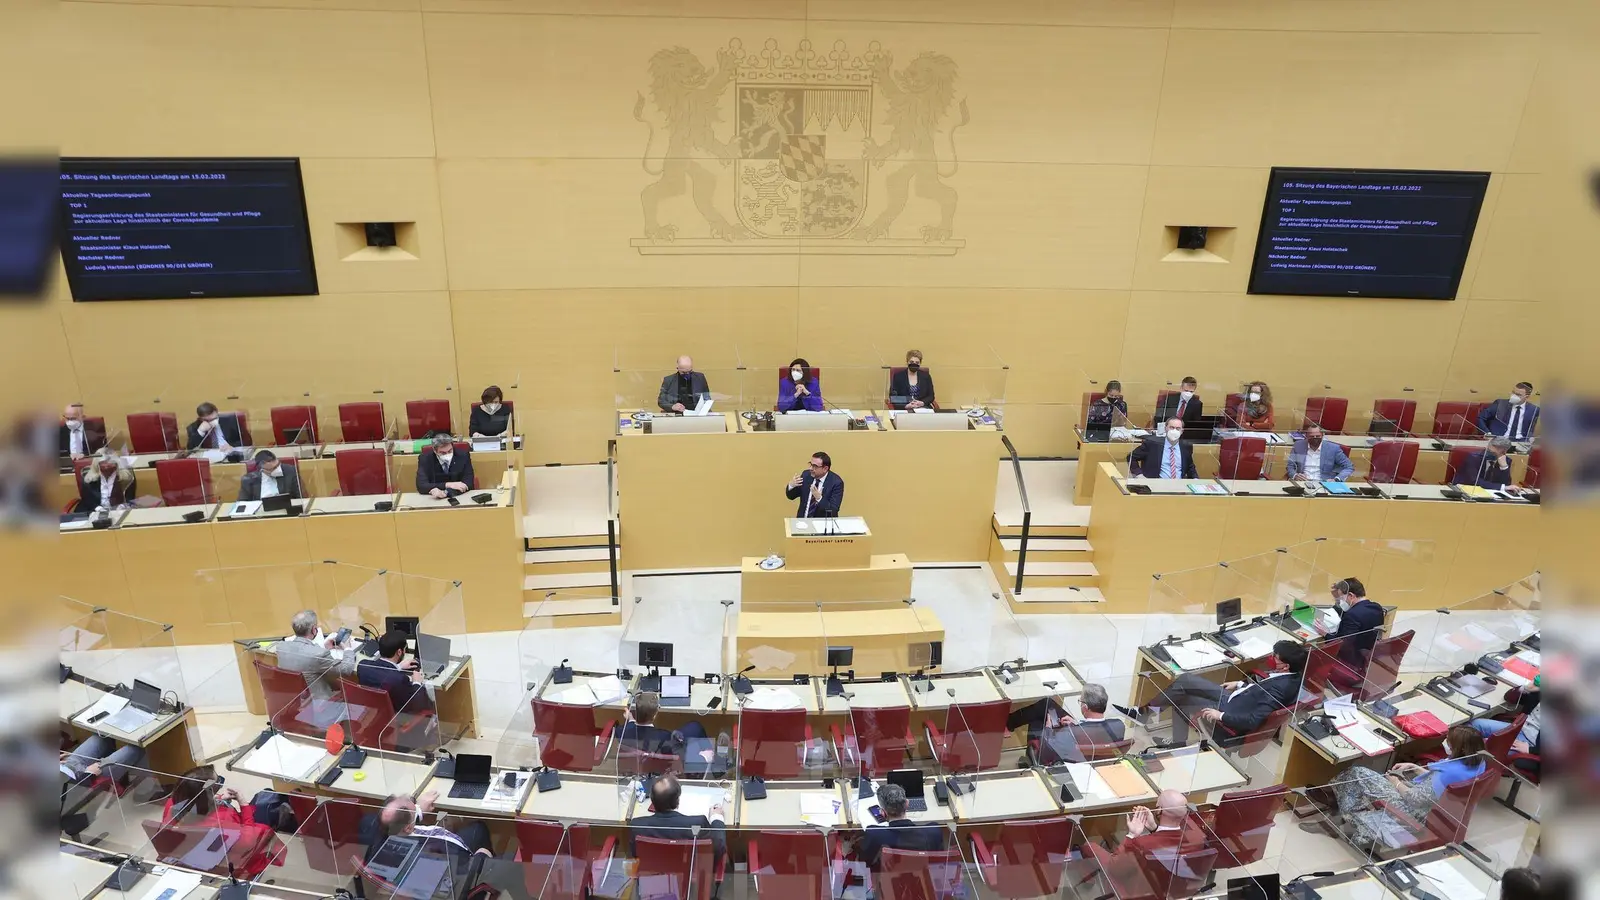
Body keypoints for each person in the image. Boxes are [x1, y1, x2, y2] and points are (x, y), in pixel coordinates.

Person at [1321, 724, 1487, 850]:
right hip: (1438, 811)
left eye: (1449, 742)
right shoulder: (1478, 763)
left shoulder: (1445, 773)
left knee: (1357, 773)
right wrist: (1414, 767)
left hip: (1415, 813)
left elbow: (1415, 799)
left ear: (1460, 748)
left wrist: (1396, 783)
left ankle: (1341, 817)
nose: (1445, 743)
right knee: (1364, 778)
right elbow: (1438, 785)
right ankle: (1343, 811)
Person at [1134, 640, 1307, 746]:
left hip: (1231, 710)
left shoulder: (1281, 687)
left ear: (1285, 665)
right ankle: (1144, 713)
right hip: (1238, 698)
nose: (1272, 657)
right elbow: (1263, 689)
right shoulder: (1293, 675)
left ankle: (1177, 743)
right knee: (1186, 680)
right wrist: (1240, 684)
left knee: (1183, 698)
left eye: (1276, 657)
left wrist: (1220, 716)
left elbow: (1253, 720)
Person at [162, 765, 286, 878]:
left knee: (266, 795)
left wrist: (216, 800)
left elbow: (197, 809)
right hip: (230, 858)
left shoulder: (173, 805)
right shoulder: (223, 821)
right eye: (219, 783)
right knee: (266, 798)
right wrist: (243, 804)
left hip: (197, 856)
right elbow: (248, 842)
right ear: (209, 792)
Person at [1016, 683, 1127, 765]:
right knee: (1047, 704)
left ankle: (1030, 760)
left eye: (1080, 701)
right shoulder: (1118, 725)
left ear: (1085, 707)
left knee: (1037, 722)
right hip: (1090, 753)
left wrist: (1048, 728)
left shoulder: (1070, 733)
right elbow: (1094, 732)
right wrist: (1077, 724)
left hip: (1069, 760)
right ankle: (1009, 723)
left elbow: (1047, 751)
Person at [629, 774, 726, 864]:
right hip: (691, 875)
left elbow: (635, 855)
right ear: (677, 801)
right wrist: (716, 818)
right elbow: (717, 847)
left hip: (653, 877)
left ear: (652, 800)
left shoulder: (637, 825)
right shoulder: (697, 824)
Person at [376, 790, 493, 862]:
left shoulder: (389, 831)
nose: (413, 802)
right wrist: (482, 855)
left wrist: (419, 811)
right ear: (408, 828)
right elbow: (465, 867)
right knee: (479, 830)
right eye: (413, 807)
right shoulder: (437, 851)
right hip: (462, 860)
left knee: (477, 828)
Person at [856, 782, 946, 869]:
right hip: (921, 880)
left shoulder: (874, 833)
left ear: (883, 813)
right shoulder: (934, 831)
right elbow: (937, 861)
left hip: (886, 881)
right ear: (907, 804)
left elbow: (863, 863)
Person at [273, 609, 356, 701]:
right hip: (319, 704)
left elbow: (304, 656)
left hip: (295, 700)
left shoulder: (281, 647)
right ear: (313, 629)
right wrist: (348, 649)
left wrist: (324, 647)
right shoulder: (319, 654)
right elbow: (345, 670)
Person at [1317, 578, 1386, 685]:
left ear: (1351, 595)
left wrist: (1325, 633)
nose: (1339, 601)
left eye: (1340, 597)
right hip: (1366, 656)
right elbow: (1355, 615)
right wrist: (1337, 596)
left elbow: (1342, 645)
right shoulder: (1376, 607)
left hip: (1351, 662)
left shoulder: (1352, 615)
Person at [357, 629, 433, 717]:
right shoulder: (399, 679)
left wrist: (398, 667)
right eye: (404, 649)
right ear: (399, 652)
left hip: (373, 714)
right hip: (398, 717)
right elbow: (417, 705)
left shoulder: (362, 666)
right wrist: (417, 682)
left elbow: (382, 675)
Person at [619, 691, 708, 758]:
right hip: (663, 768)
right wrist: (701, 756)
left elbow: (629, 729)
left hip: (636, 765)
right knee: (695, 726)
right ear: (655, 715)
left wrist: (631, 720)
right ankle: (714, 765)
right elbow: (678, 753)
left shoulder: (620, 732)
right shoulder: (664, 736)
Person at [1116, 789, 1206, 855]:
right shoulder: (1195, 840)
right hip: (1175, 879)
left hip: (1148, 879)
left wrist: (1131, 835)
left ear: (1160, 810)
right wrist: (1154, 829)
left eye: (1157, 806)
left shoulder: (1142, 843)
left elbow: (1114, 865)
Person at [1129, 418, 1197, 479]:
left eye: (1178, 428)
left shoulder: (1186, 446)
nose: (1174, 431)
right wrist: (1139, 475)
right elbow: (1131, 457)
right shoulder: (1152, 444)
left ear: (1182, 431)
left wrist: (1195, 480)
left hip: (1178, 486)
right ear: (1165, 428)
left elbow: (1190, 466)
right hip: (1155, 485)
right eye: (1171, 427)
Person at [1285, 424, 1354, 483]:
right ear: (1306, 436)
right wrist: (1295, 475)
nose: (1315, 438)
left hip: (1325, 483)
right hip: (1302, 482)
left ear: (1322, 435)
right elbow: (1290, 466)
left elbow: (1349, 467)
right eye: (1312, 436)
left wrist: (1337, 479)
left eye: (1317, 436)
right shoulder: (1298, 446)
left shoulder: (1333, 449)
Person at [785, 451, 844, 517]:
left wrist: (819, 498)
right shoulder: (806, 475)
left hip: (822, 524)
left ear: (825, 468)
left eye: (814, 466)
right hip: (804, 522)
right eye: (810, 464)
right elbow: (791, 496)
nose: (810, 468)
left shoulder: (836, 482)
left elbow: (833, 511)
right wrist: (791, 485)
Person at [416, 433, 474, 498]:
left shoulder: (463, 455)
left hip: (459, 497)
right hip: (434, 499)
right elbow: (421, 485)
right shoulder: (425, 459)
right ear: (435, 451)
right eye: (443, 453)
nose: (447, 454)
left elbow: (469, 483)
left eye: (450, 451)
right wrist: (448, 485)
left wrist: (446, 492)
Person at [1453, 436, 1519, 491]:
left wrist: (1504, 467)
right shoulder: (1474, 457)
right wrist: (1503, 487)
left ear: (1504, 452)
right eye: (1488, 450)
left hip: (1490, 492)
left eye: (1493, 453)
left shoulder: (1506, 461)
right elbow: (1474, 481)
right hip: (1465, 489)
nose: (1488, 453)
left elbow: (1506, 484)